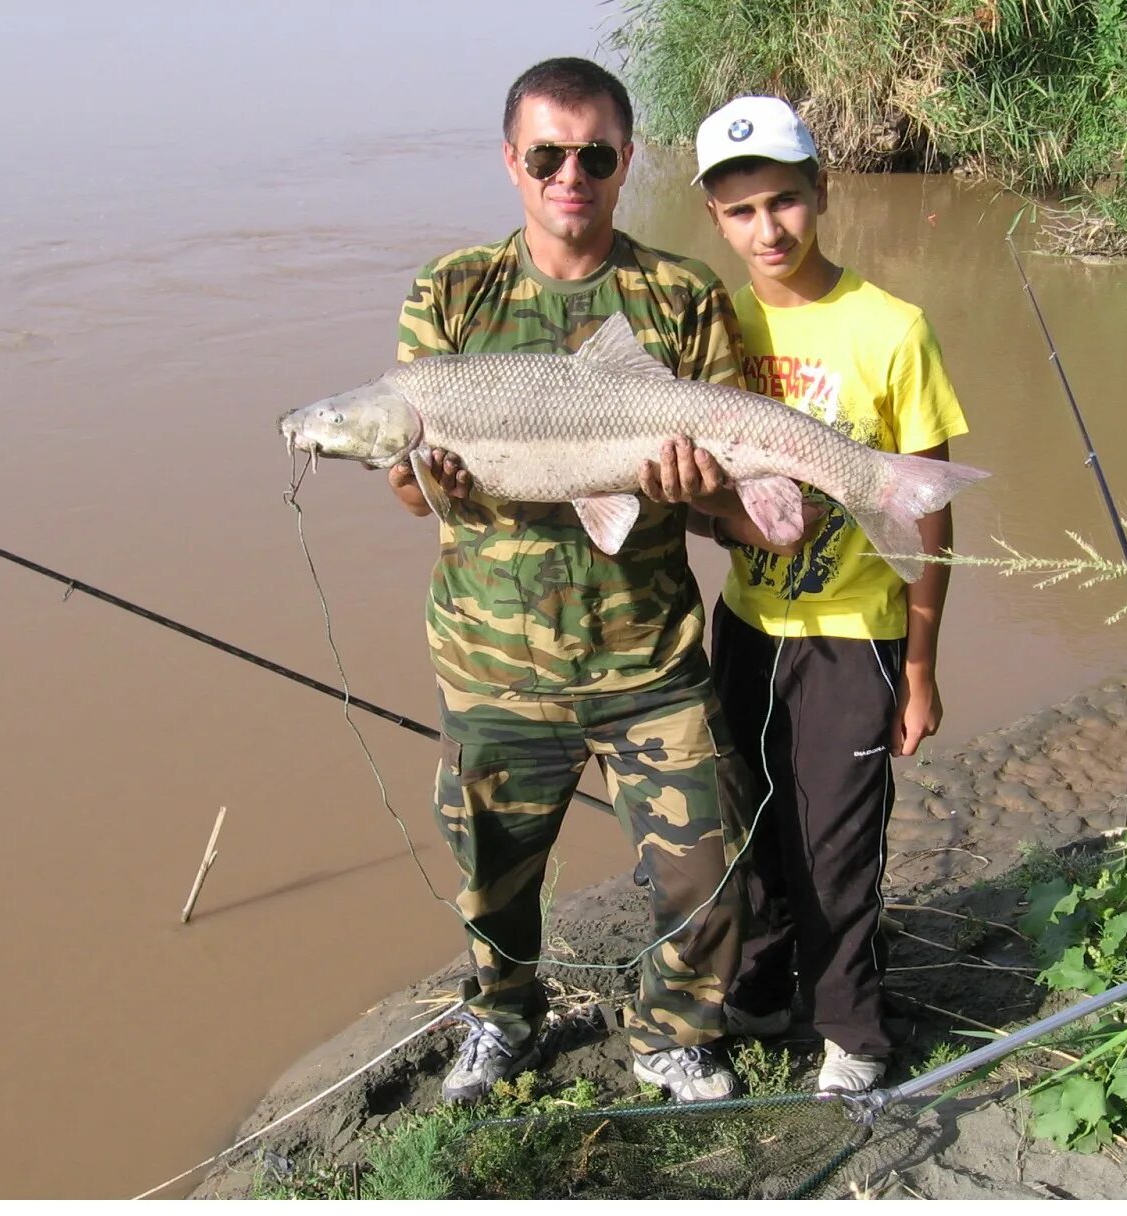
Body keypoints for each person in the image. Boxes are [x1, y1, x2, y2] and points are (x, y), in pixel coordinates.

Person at [387, 57, 752, 1105]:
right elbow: (409, 496)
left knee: (705, 873)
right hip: (493, 664)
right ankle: (503, 1017)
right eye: (547, 154)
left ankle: (673, 1031)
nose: (570, 175)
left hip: (651, 659)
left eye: (595, 155)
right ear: (511, 161)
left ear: (627, 161)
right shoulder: (451, 293)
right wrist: (429, 479)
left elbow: (727, 497)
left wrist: (696, 487)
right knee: (490, 880)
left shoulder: (680, 296)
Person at [683, 96, 971, 1093]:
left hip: (856, 631)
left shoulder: (892, 328)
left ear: (821, 193)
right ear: (714, 222)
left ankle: (853, 1030)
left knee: (836, 837)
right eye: (740, 212)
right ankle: (760, 990)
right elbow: (689, 493)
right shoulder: (710, 326)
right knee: (746, 826)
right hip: (748, 623)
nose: (767, 230)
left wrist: (922, 666)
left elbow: (928, 514)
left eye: (783, 201)